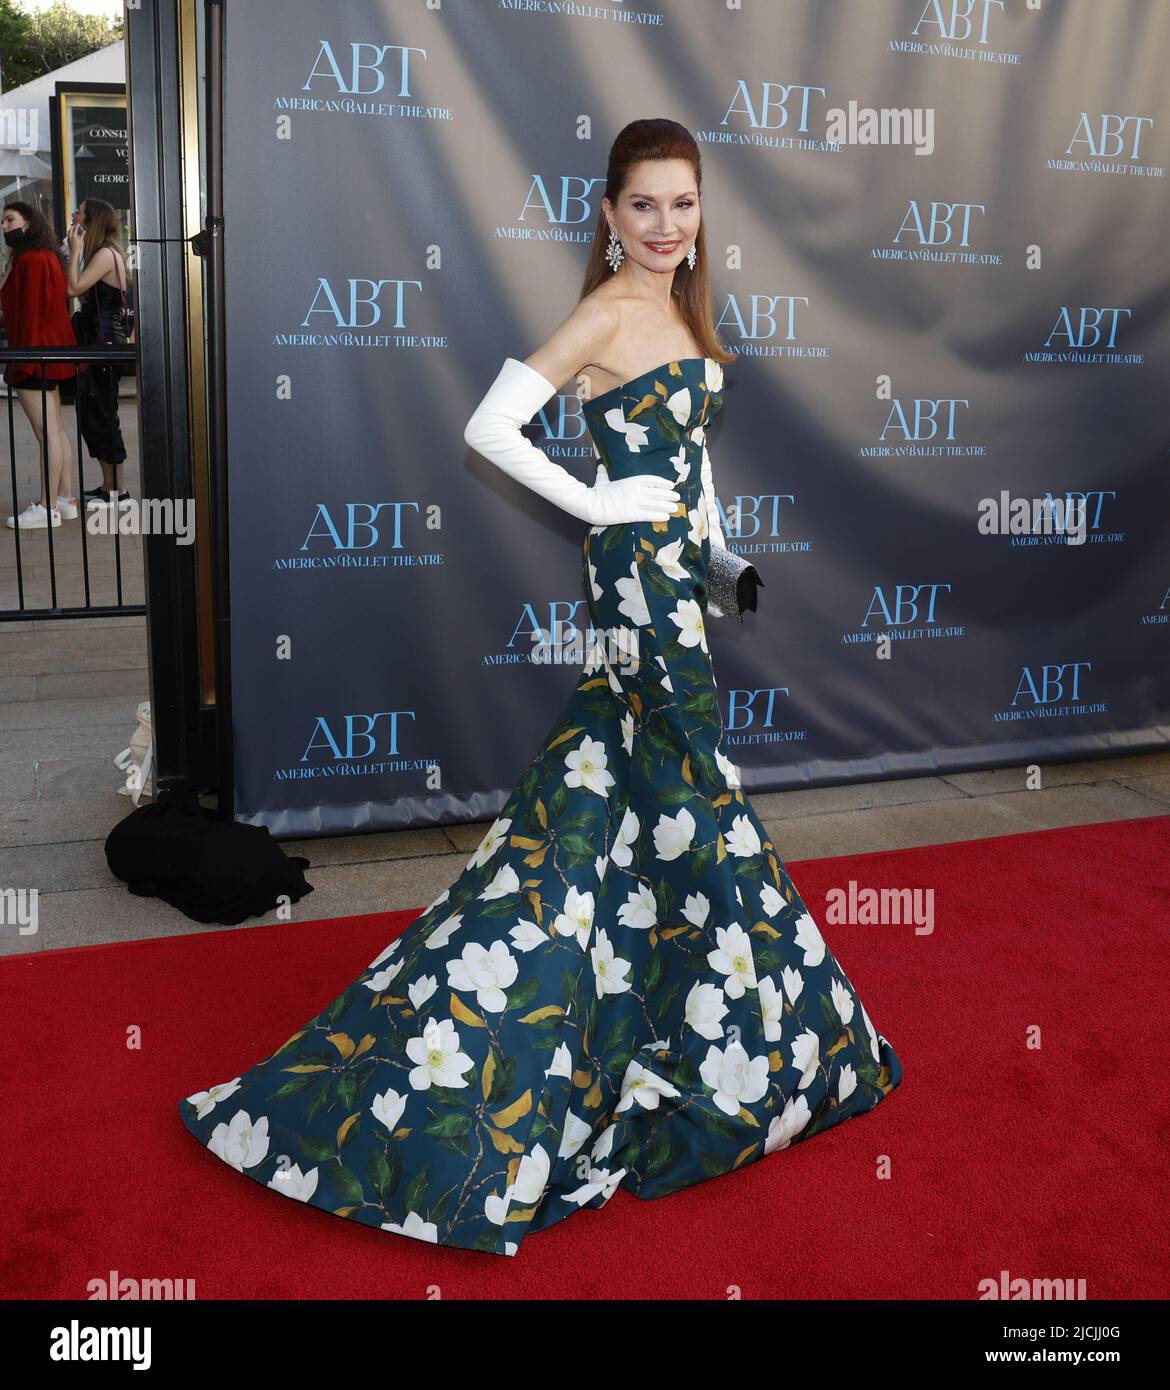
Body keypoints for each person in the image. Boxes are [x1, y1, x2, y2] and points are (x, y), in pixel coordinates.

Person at [177, 118, 903, 1257]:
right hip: (631, 586)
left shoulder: (687, 312)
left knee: (619, 796)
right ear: (608, 213)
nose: (667, 226)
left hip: (675, 581)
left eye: (685, 203)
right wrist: (602, 505)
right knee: (693, 791)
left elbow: (691, 461)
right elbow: (491, 425)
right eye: (645, 206)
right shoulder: (608, 311)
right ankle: (723, 1043)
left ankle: (623, 1004)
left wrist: (717, 555)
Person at [0, 202, 84, 529]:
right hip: (47, 354)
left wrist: (24, 362)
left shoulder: (31, 260)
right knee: (55, 431)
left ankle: (46, 506)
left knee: (45, 432)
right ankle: (64, 500)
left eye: (10, 219)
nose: (5, 226)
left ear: (29, 222)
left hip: (33, 356)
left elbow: (30, 315)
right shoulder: (44, 256)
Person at [65, 199, 131, 509]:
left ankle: (118, 490)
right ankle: (109, 486)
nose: (74, 214)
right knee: (93, 414)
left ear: (91, 221)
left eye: (79, 211)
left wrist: (74, 249)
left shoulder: (106, 254)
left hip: (103, 346)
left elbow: (73, 288)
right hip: (98, 344)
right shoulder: (105, 253)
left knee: (103, 414)